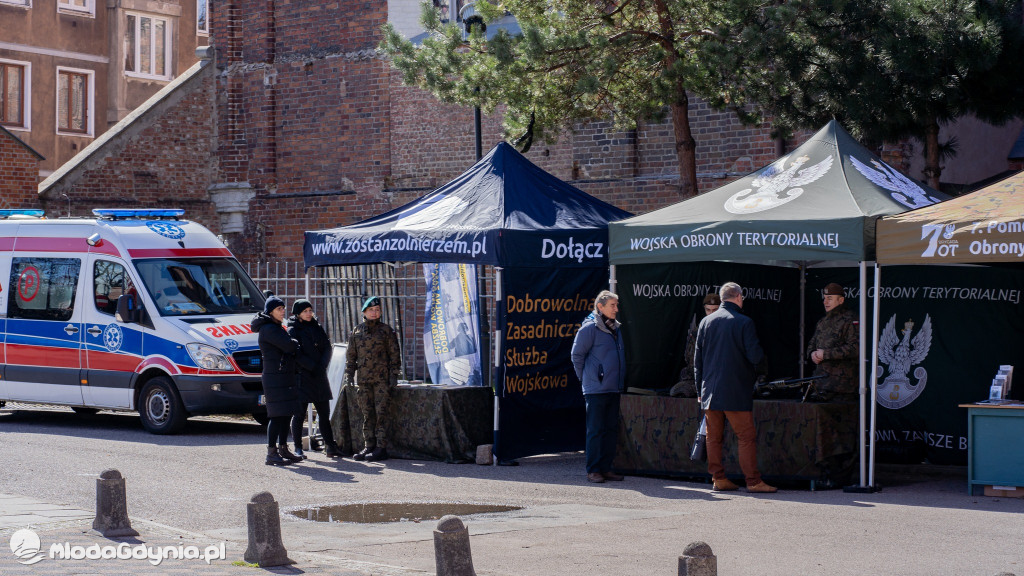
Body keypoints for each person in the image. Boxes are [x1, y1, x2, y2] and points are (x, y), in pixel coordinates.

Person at [694, 282, 776, 493]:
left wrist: (699, 392)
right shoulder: (744, 322)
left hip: (709, 392)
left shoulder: (705, 322)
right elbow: (756, 356)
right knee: (746, 437)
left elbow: (698, 362)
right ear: (738, 297)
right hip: (735, 390)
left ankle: (718, 478)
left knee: (713, 438)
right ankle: (753, 481)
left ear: (722, 299)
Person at [571, 290, 626, 484]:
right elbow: (576, 355)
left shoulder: (616, 329)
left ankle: (606, 468)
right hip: (596, 390)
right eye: (612, 305)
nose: (616, 309)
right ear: (600, 307)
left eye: (616, 305)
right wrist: (587, 379)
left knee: (611, 429)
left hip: (613, 388)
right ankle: (593, 470)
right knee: (595, 430)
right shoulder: (589, 329)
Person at [344, 296, 401, 462]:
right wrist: (348, 375)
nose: (374, 313)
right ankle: (369, 445)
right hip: (364, 380)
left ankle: (381, 448)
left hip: (382, 380)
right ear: (364, 312)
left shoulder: (386, 331)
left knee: (381, 413)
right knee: (367, 414)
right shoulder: (357, 331)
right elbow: (351, 357)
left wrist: (393, 375)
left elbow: (394, 354)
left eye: (377, 310)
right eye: (371, 310)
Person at [288, 299, 344, 459]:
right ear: (298, 313)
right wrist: (311, 366)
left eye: (310, 310)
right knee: (299, 414)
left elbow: (327, 346)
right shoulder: (293, 330)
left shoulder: (317, 326)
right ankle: (298, 447)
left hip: (319, 375)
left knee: (324, 414)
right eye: (305, 311)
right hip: (303, 375)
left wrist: (322, 364)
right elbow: (296, 353)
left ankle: (330, 446)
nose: (309, 314)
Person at [252, 296, 304, 466]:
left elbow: (290, 344)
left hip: (283, 375)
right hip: (274, 377)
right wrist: (293, 343)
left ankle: (283, 448)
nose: (283, 311)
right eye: (279, 309)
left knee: (285, 413)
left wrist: (292, 343)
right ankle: (271, 452)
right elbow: (290, 346)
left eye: (283, 308)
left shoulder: (276, 327)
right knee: (276, 415)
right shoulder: (269, 329)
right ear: (270, 311)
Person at [806, 283, 859, 402]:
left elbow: (855, 348)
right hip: (820, 384)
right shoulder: (823, 321)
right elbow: (812, 343)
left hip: (842, 388)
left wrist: (825, 354)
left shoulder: (850, 320)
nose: (825, 302)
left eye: (830, 298)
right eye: (824, 298)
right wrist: (812, 354)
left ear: (841, 300)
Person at [671, 293, 721, 397]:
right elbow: (692, 361)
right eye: (708, 310)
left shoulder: (729, 328)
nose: (711, 314)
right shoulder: (698, 332)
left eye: (715, 310)